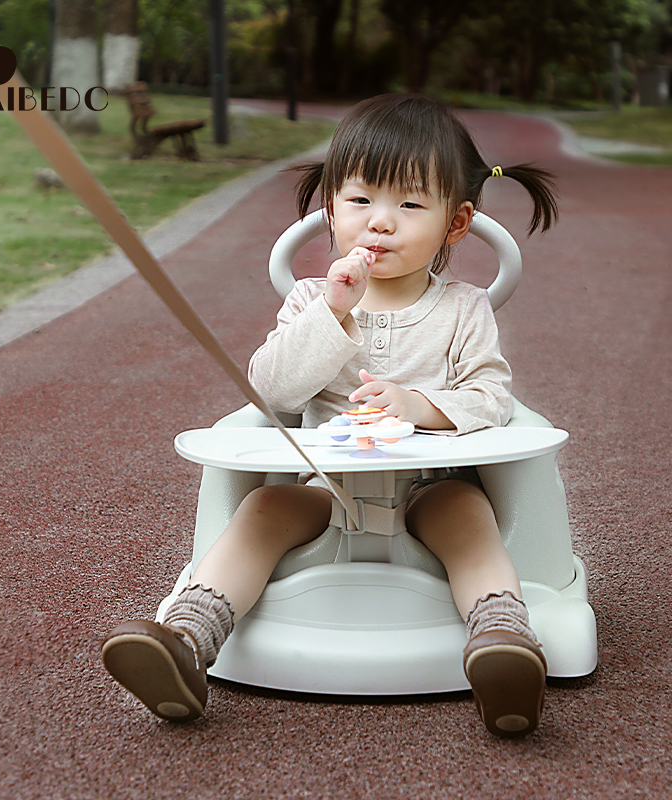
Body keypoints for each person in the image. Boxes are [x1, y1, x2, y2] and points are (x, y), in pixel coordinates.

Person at [101, 93, 559, 738]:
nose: (381, 223)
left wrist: (420, 406)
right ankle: (186, 640)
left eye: (410, 205)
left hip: (433, 485)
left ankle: (502, 641)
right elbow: (272, 392)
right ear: (331, 211)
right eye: (361, 200)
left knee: (468, 516)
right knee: (263, 508)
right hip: (324, 485)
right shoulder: (310, 301)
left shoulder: (464, 308)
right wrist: (333, 313)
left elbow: (491, 397)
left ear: (456, 223)